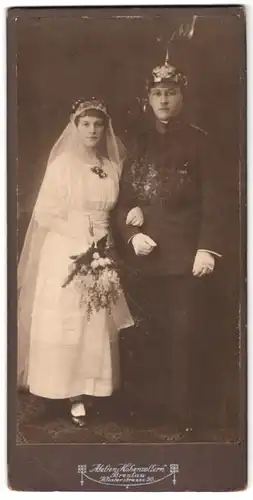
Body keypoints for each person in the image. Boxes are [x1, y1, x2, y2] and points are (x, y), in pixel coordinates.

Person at [115, 52, 224, 436]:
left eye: (171, 92)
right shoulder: (139, 144)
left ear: (182, 97)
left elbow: (217, 200)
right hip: (145, 260)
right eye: (157, 93)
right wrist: (131, 235)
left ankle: (183, 420)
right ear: (148, 98)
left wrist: (207, 248)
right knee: (149, 338)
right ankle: (149, 414)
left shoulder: (200, 143)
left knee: (184, 340)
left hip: (185, 259)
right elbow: (122, 201)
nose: (163, 100)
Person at [17, 98, 142, 427]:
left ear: (105, 129)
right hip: (66, 251)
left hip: (103, 249)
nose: (92, 130)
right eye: (85, 124)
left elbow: (115, 208)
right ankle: (56, 389)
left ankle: (86, 391)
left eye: (98, 125)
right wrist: (82, 241)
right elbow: (45, 214)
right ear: (75, 127)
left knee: (94, 318)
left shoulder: (111, 165)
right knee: (65, 318)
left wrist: (128, 216)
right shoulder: (63, 165)